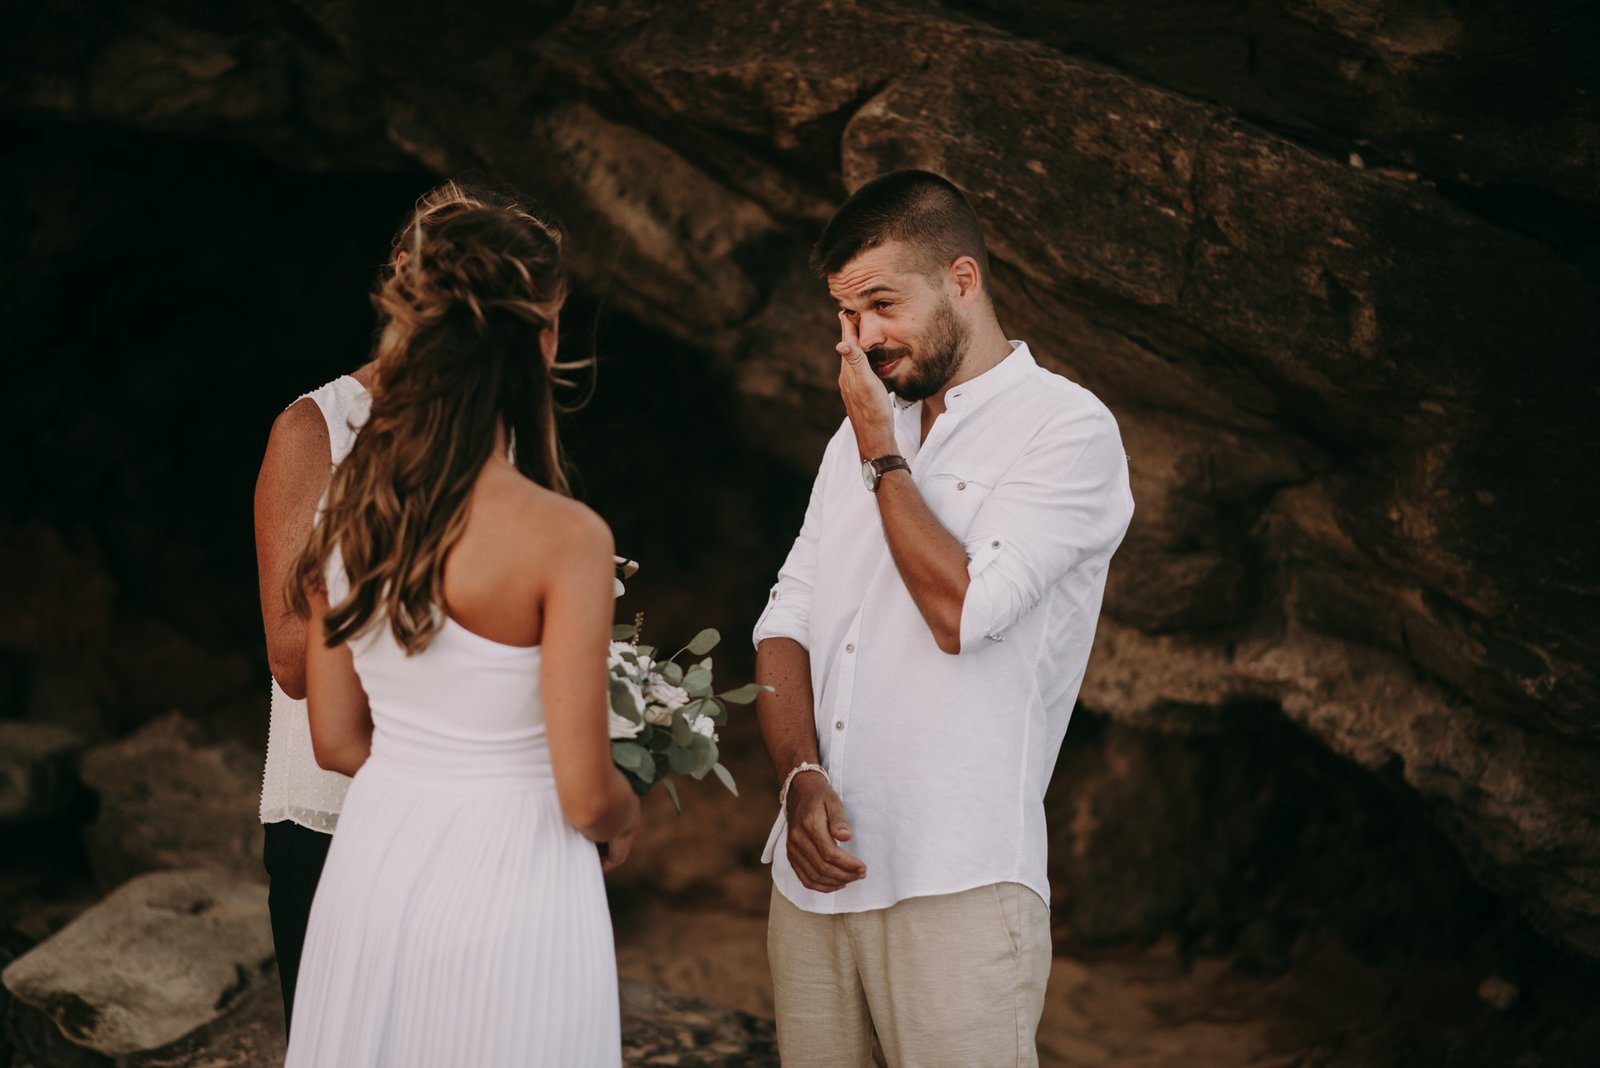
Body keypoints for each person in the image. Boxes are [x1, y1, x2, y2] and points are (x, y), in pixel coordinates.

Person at [754, 170, 1134, 1067]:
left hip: (958, 878)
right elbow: (786, 620)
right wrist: (797, 774)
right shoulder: (852, 433)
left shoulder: (1066, 429)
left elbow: (964, 612)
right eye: (846, 316)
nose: (863, 339)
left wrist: (881, 452)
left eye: (882, 303)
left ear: (962, 279)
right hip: (813, 883)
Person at [280, 199, 640, 1066]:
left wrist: (432, 781)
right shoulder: (567, 537)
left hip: (374, 866)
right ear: (543, 338)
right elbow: (586, 794)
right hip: (516, 877)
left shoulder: (351, 507)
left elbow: (333, 738)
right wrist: (627, 814)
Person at [253, 180, 506, 1032]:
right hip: (337, 820)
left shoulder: (502, 433)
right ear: (399, 272)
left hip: (477, 816)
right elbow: (292, 660)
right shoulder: (314, 428)